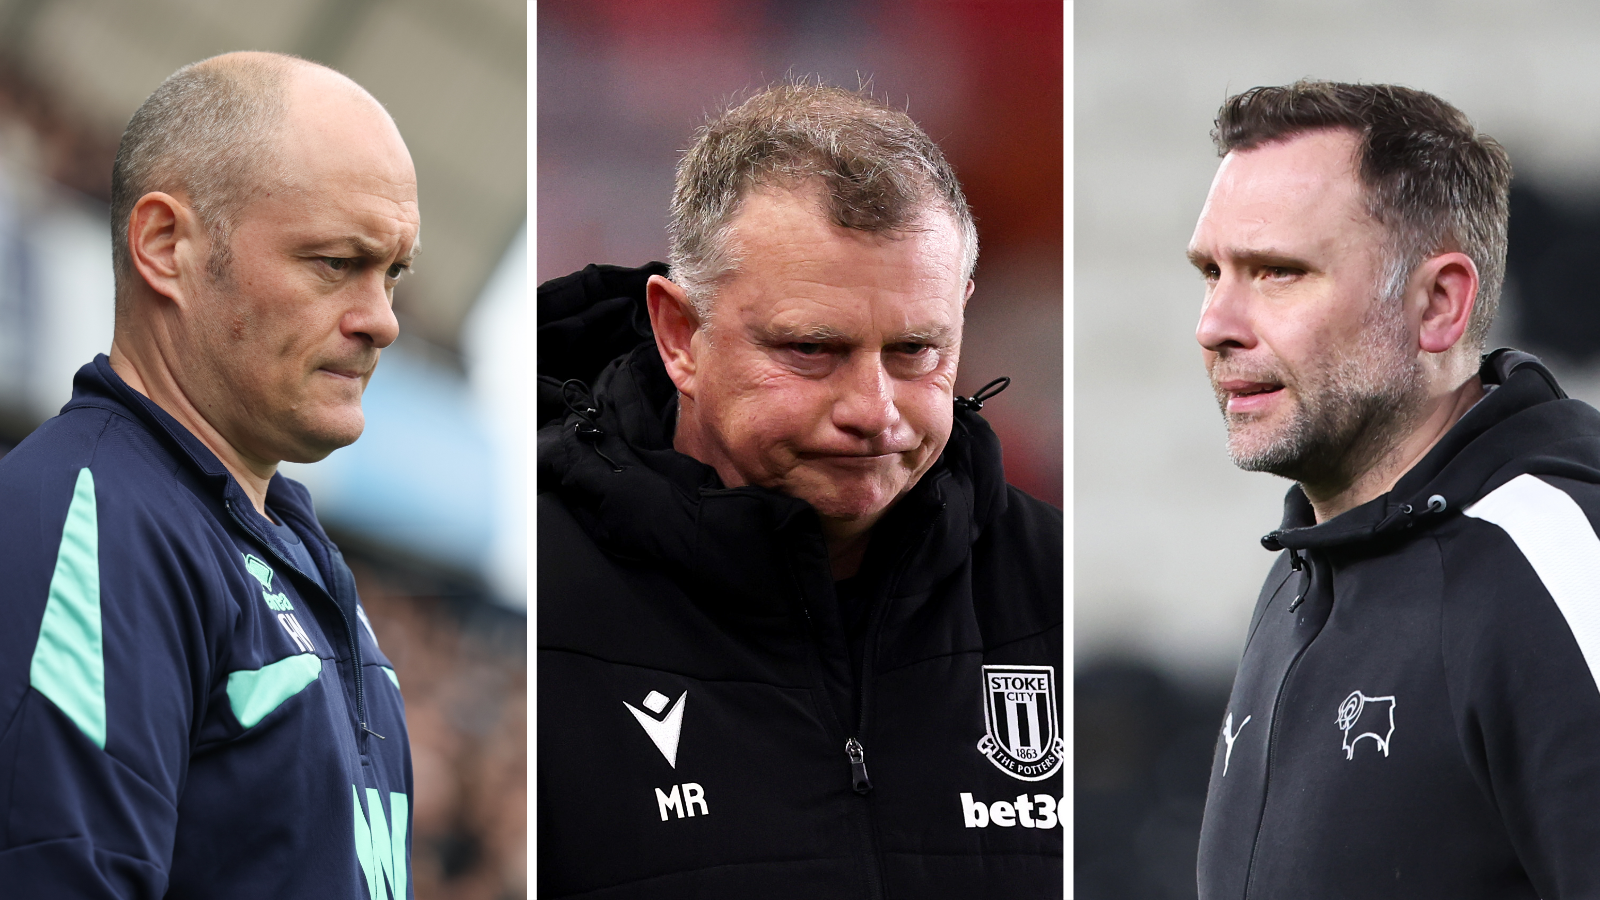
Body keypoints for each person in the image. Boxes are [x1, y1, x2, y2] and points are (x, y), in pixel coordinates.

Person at [537, 83, 1064, 898]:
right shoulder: (543, 586)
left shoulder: (1054, 584)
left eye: (916, 350)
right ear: (681, 334)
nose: (874, 412)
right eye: (814, 349)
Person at [0, 52, 417, 898]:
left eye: (393, 272)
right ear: (165, 245)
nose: (382, 321)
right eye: (336, 262)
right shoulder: (96, 518)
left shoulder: (291, 548)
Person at [1190, 79, 1600, 899]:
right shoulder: (1302, 567)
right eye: (1212, 272)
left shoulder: (1557, 562)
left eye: (1277, 272)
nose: (1215, 324)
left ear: (1440, 305)